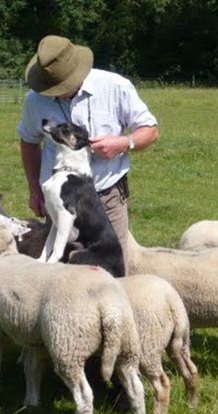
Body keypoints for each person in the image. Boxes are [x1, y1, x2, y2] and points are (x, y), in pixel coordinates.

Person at [17, 35, 159, 252]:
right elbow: (29, 142)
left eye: (61, 86)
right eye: (51, 87)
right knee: (59, 268)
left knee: (109, 268)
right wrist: (34, 190)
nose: (55, 92)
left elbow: (150, 131)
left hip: (106, 198)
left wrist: (123, 143)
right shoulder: (35, 100)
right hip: (59, 200)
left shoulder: (115, 87)